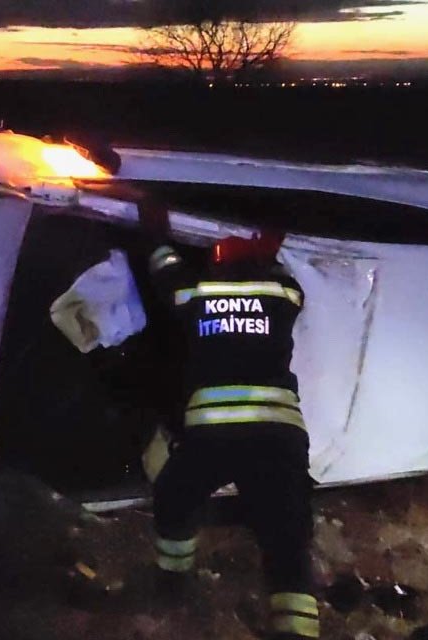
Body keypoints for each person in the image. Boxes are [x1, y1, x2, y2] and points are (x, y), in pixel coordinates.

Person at [138, 200, 319, 640]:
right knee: (287, 533)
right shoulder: (285, 293)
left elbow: (165, 272)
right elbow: (281, 280)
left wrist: (156, 232)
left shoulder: (196, 293)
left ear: (217, 263)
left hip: (213, 435)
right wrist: (268, 250)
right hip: (277, 435)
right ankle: (296, 629)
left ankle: (172, 580)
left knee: (175, 498)